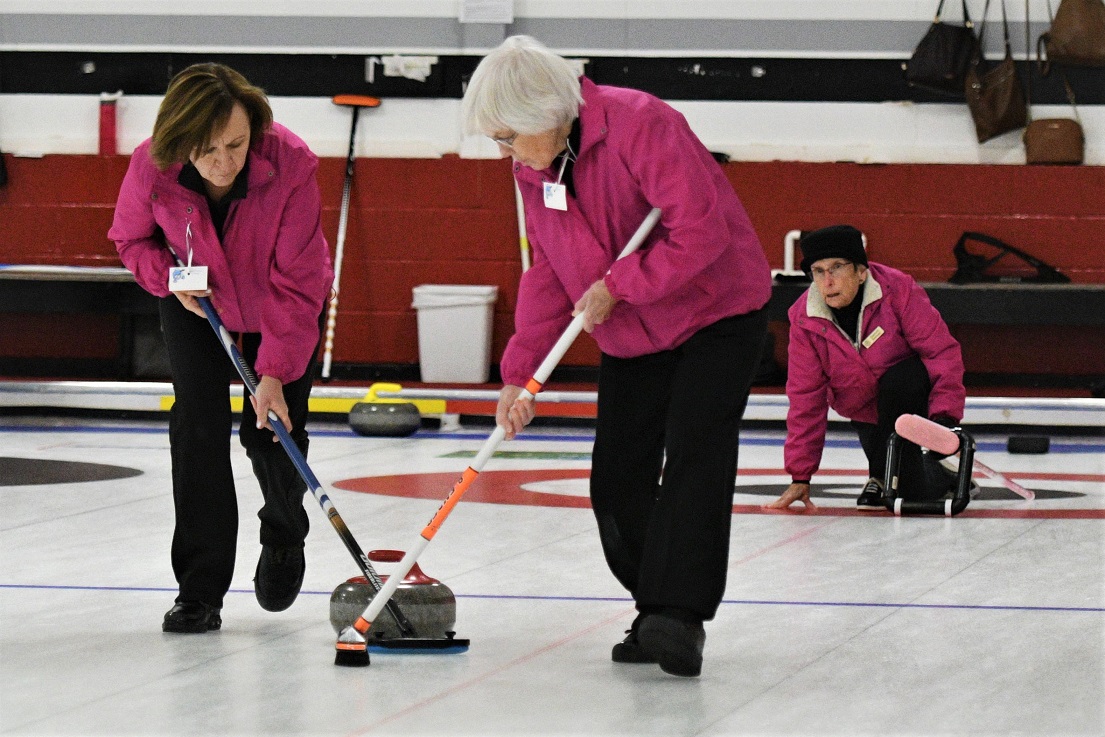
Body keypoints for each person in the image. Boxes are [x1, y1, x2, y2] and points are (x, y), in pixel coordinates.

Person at [461, 36, 772, 678]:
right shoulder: (533, 170)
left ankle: (677, 618)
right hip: (633, 332)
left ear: (545, 112)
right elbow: (549, 270)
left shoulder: (642, 124)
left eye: (508, 136)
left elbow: (702, 231)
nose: (504, 152)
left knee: (694, 452)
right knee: (618, 478)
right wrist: (521, 373)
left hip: (717, 312)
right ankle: (652, 601)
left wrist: (620, 285)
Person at [109, 63, 334, 633]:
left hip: (278, 305)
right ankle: (199, 588)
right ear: (181, 139)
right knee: (198, 430)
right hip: (195, 302)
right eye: (208, 149)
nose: (224, 162)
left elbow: (300, 280)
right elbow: (131, 238)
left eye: (235, 144)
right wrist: (169, 279)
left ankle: (284, 537)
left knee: (271, 431)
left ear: (253, 130)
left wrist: (276, 372)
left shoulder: (291, 163)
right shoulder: (151, 164)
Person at [765, 224, 966, 512]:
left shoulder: (898, 290)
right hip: (863, 411)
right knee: (908, 487)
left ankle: (885, 476)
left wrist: (945, 417)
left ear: (861, 272)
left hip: (909, 402)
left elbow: (940, 353)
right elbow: (805, 397)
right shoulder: (804, 319)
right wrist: (800, 475)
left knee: (903, 378)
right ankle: (939, 476)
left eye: (837, 267)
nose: (828, 280)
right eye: (818, 271)